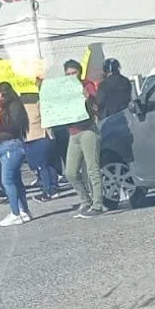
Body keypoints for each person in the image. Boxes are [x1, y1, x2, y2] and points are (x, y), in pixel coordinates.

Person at [59, 59, 105, 218]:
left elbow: (97, 106)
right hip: (73, 133)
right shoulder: (64, 90)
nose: (71, 76)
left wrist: (89, 99)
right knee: (70, 172)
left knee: (92, 168)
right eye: (68, 74)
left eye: (74, 73)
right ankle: (86, 200)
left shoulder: (87, 86)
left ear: (79, 73)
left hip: (87, 131)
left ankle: (98, 204)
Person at [0, 82, 32, 226]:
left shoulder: (14, 105)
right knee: (15, 180)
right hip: (5, 146)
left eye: (0, 94)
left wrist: (0, 112)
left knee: (7, 181)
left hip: (11, 146)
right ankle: (23, 211)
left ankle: (15, 213)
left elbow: (13, 125)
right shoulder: (7, 106)